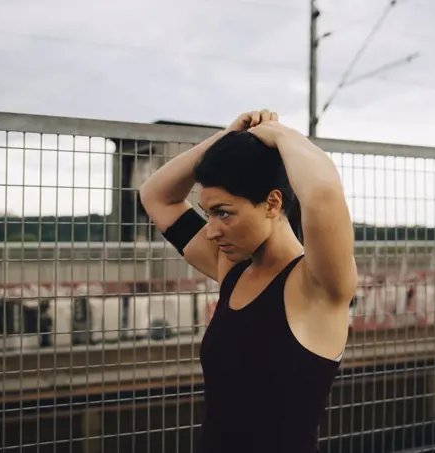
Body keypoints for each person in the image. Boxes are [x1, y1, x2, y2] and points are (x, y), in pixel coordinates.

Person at [139, 109, 358, 453]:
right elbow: (156, 196)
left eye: (223, 213)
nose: (210, 230)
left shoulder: (318, 285)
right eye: (208, 213)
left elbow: (323, 192)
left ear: (272, 202)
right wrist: (227, 139)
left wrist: (279, 134)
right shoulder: (232, 269)